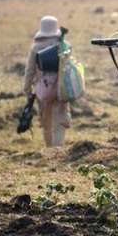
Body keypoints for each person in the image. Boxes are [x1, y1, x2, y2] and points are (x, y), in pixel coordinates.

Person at [22, 15, 71, 147]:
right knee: (60, 119)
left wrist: (27, 89)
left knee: (46, 120)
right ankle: (58, 147)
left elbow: (30, 70)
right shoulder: (64, 46)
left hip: (42, 89)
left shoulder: (35, 47)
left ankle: (50, 149)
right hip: (61, 88)